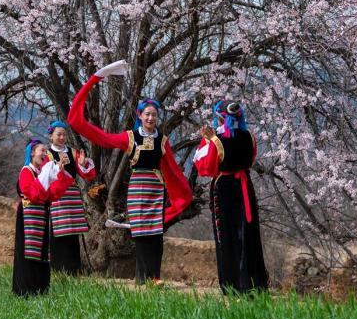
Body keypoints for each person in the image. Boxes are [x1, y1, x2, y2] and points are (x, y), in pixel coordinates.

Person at [67, 60, 192, 284]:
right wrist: (95, 79)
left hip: (155, 190)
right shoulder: (130, 138)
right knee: (142, 233)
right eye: (147, 114)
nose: (151, 118)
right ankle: (143, 278)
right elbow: (101, 137)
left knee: (156, 233)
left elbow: (172, 170)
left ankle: (155, 276)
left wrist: (181, 193)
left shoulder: (162, 141)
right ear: (140, 116)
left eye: (154, 114)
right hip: (137, 189)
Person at [193, 100, 269, 294]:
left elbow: (204, 167)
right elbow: (250, 160)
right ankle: (254, 283)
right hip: (245, 187)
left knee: (226, 234)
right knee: (248, 232)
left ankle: (232, 284)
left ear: (219, 117)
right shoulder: (249, 137)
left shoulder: (216, 140)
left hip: (224, 189)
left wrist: (208, 140)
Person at [12, 139, 73, 296]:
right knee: (27, 253)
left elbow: (51, 195)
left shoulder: (41, 174)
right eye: (42, 151)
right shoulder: (26, 171)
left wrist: (58, 173)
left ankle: (40, 289)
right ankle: (25, 290)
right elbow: (32, 194)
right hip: (28, 217)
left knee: (42, 253)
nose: (45, 154)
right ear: (32, 152)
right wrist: (46, 174)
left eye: (46, 151)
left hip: (42, 216)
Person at [43, 120, 97, 275]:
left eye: (64, 134)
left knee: (73, 233)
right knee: (58, 232)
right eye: (58, 134)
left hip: (72, 196)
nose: (61, 137)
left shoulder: (73, 152)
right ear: (51, 136)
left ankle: (74, 269)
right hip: (57, 197)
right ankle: (58, 268)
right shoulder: (47, 155)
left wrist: (84, 163)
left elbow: (88, 174)